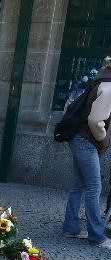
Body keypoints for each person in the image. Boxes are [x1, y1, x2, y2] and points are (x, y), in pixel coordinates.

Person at [63, 57, 111, 248]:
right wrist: (102, 138)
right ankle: (97, 236)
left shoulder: (101, 82)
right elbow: (95, 121)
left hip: (79, 138)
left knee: (79, 185)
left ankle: (70, 228)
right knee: (94, 187)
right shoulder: (108, 88)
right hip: (86, 141)